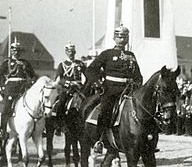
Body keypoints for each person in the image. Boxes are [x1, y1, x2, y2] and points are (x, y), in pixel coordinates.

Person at [85, 25, 143, 153]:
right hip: (111, 90)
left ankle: (145, 140)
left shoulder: (131, 55)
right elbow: (90, 70)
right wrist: (98, 84)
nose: (122, 40)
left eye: (124, 37)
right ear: (114, 38)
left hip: (129, 91)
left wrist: (137, 85)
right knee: (105, 111)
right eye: (119, 37)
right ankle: (99, 140)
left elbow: (138, 75)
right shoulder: (107, 54)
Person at [0, 41, 38, 141]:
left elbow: (33, 75)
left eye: (18, 51)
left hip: (24, 89)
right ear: (11, 51)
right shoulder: (7, 63)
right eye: (14, 50)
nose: (16, 53)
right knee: (6, 109)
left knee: (34, 107)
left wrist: (32, 81)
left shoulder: (25, 63)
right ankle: (3, 131)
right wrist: (0, 87)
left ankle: (37, 129)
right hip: (11, 89)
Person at [54, 42, 86, 135]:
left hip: (79, 88)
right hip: (68, 88)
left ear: (75, 52)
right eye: (69, 52)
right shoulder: (62, 64)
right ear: (66, 52)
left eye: (72, 52)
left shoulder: (80, 63)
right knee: (61, 103)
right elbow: (58, 79)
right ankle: (58, 126)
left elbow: (87, 74)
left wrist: (84, 85)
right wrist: (68, 83)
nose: (71, 53)